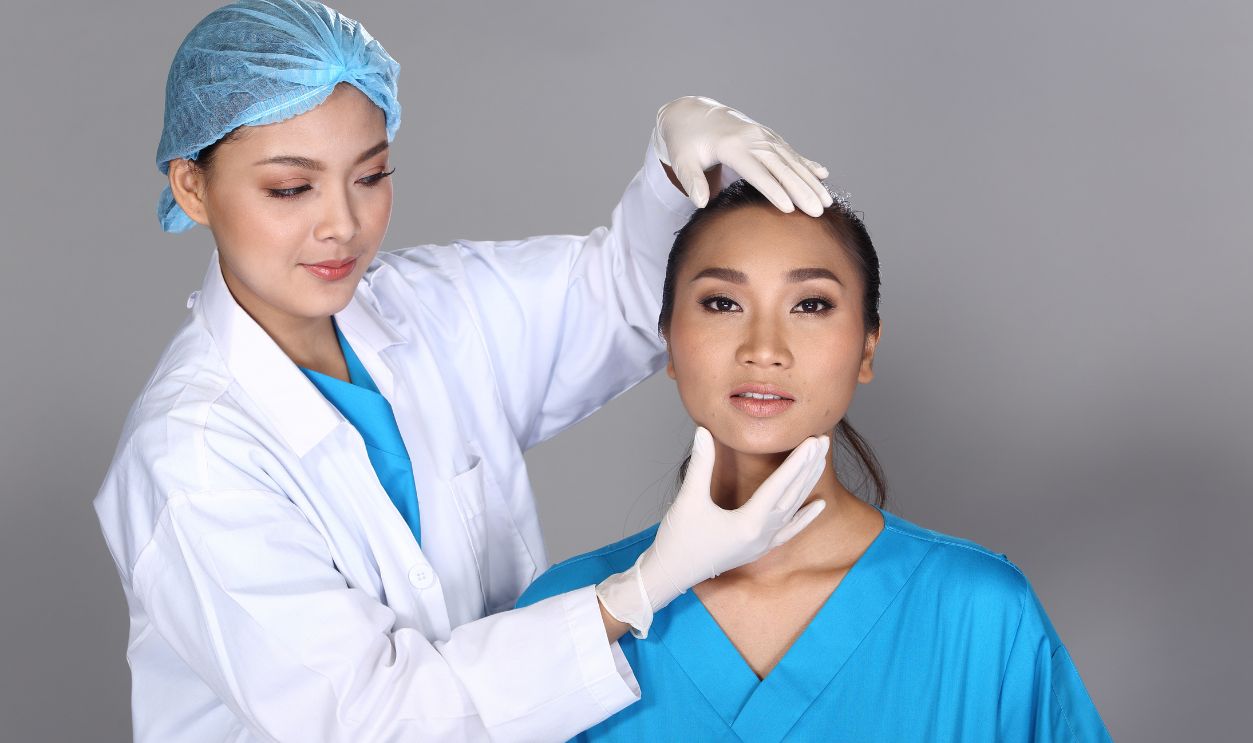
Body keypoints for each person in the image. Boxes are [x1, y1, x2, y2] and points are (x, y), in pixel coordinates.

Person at [93, 1, 837, 740]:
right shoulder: (187, 458)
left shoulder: (431, 309)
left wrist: (675, 172)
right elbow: (375, 719)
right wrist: (633, 593)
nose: (343, 225)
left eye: (371, 175)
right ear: (192, 186)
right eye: (291, 188)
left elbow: (622, 302)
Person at [518, 180, 1115, 742]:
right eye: (723, 302)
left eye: (810, 305)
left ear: (867, 346)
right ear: (669, 340)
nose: (764, 350)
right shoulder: (573, 612)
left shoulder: (979, 614)